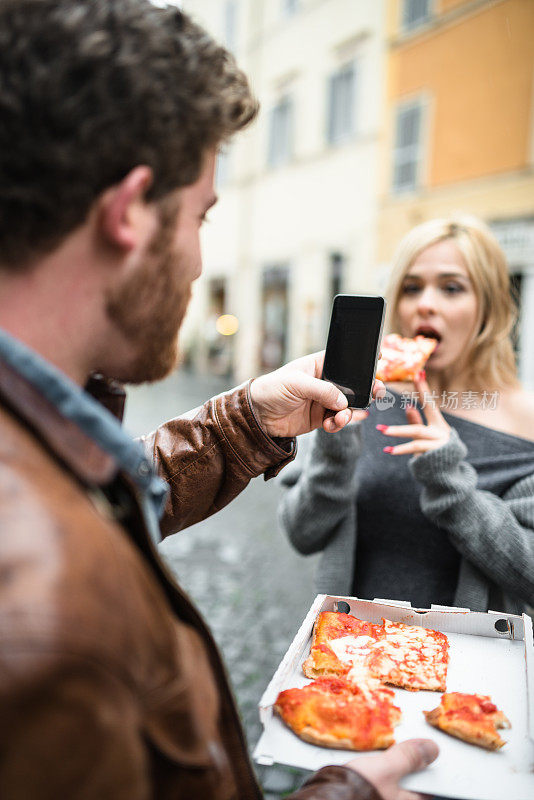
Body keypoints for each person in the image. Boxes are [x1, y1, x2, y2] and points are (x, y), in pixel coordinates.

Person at [0, 1, 439, 798]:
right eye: (200, 215)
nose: (202, 260)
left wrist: (245, 421)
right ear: (130, 211)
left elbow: (96, 496)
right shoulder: (45, 618)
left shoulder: (34, 434)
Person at [280, 215, 534, 615]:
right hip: (352, 653)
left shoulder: (526, 422)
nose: (425, 304)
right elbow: (303, 534)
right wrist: (334, 455)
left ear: (488, 306)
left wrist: (452, 486)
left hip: (473, 668)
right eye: (411, 288)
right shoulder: (364, 399)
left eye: (452, 288)